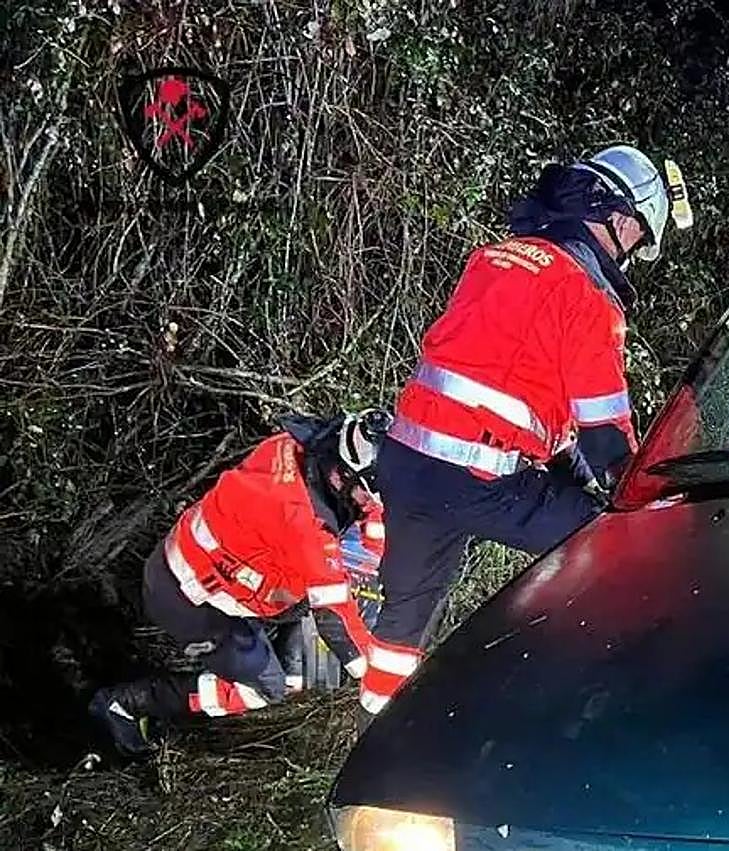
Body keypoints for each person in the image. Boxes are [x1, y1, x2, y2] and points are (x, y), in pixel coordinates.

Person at [358, 144, 689, 718]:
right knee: (608, 547)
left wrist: (567, 465)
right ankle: (610, 695)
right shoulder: (587, 297)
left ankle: (376, 736)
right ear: (613, 216)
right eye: (637, 235)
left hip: (407, 466)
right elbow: (605, 432)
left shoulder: (495, 259)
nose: (632, 252)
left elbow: (515, 393)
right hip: (479, 478)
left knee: (400, 627)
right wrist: (637, 491)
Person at [89, 408, 393, 756]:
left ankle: (277, 646)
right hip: (189, 599)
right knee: (266, 689)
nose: (369, 503)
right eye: (365, 494)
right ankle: (130, 703)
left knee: (326, 613)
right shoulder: (304, 522)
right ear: (341, 478)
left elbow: (372, 518)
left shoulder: (299, 448)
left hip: (228, 570)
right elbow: (334, 618)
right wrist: (379, 686)